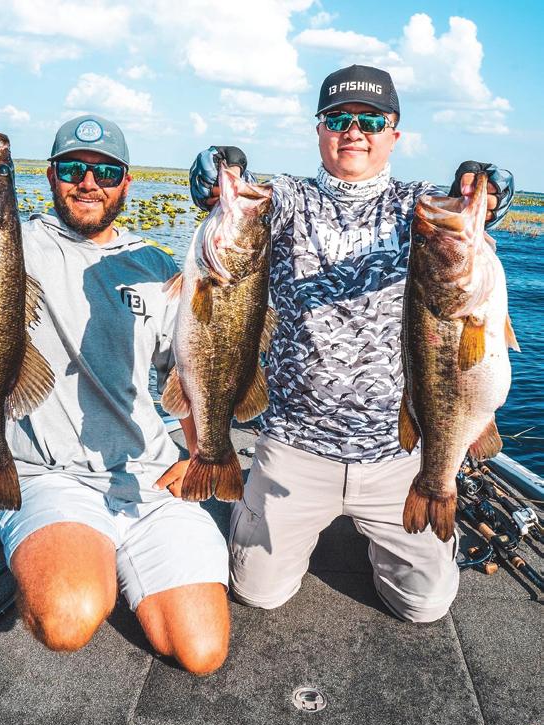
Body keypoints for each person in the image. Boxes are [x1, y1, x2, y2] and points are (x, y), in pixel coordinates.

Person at [171, 64, 514, 622]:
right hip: (292, 446)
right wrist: (219, 174)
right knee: (257, 593)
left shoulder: (419, 207)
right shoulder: (287, 199)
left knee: (424, 605)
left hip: (396, 453)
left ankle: (386, 532)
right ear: (319, 130)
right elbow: (237, 202)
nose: (354, 131)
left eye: (371, 121)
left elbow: (461, 221)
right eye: (338, 119)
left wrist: (483, 195)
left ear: (394, 134)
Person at [0, 114, 230, 674]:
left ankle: (109, 552)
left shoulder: (158, 264)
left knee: (202, 652)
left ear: (126, 183)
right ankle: (77, 550)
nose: (88, 182)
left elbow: (187, 370)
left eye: (106, 172)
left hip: (147, 474)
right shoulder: (13, 241)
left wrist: (198, 454)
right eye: (72, 169)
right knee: (67, 617)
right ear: (50, 176)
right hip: (51, 476)